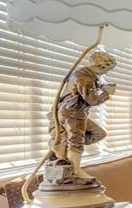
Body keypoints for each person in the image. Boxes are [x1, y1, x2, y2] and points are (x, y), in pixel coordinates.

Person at [49, 50, 117, 181]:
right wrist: (107, 94)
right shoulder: (83, 76)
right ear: (100, 66)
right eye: (107, 70)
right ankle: (75, 169)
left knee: (99, 133)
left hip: (75, 112)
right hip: (72, 113)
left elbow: (91, 87)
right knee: (76, 141)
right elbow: (92, 100)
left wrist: (103, 87)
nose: (106, 73)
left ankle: (64, 146)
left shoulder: (88, 75)